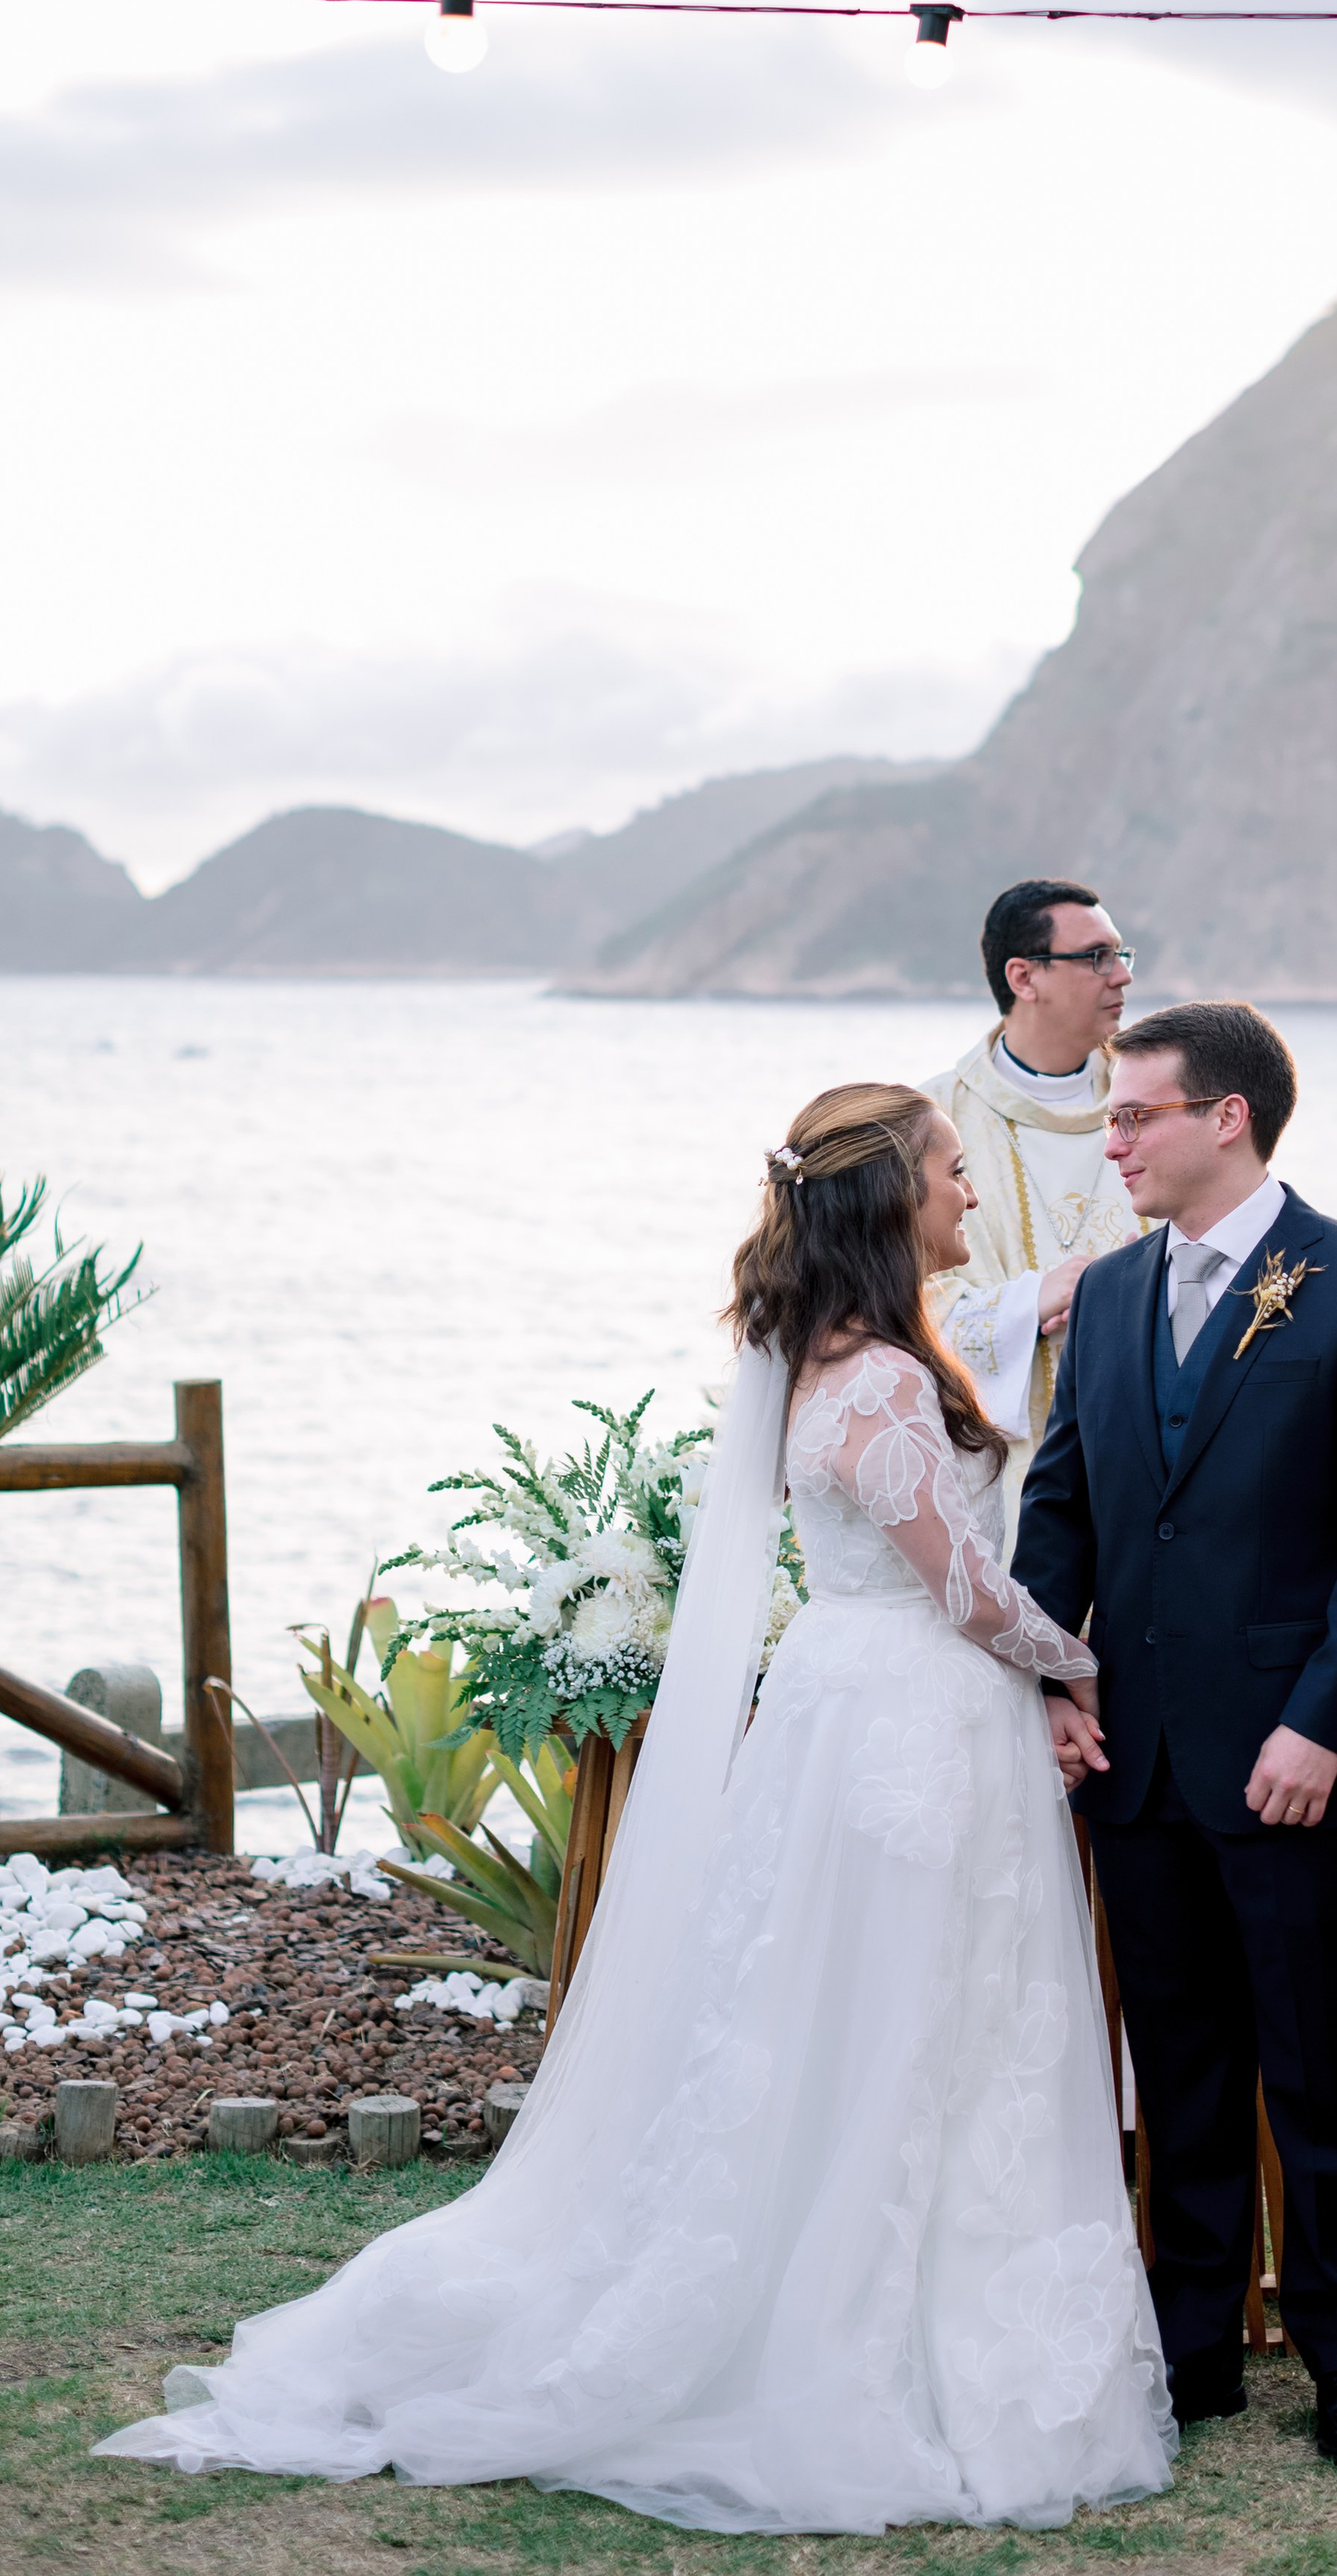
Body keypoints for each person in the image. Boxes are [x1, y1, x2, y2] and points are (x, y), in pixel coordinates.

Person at [97, 1085, 1174, 2535]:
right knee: (903, 2024)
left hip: (874, 1712)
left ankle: (898, 2298)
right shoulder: (877, 1384)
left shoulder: (840, 1357)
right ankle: (862, 2336)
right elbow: (966, 1590)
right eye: (951, 1172)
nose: (969, 1195)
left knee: (880, 2023)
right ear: (886, 1201)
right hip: (905, 1725)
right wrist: (1081, 1657)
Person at [1010, 1001, 1337, 2472]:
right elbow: (1061, 1504)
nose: (1111, 1137)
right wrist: (1057, 1679)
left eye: (1134, 1114)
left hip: (1298, 1767)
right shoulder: (1116, 1295)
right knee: (1182, 2070)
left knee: (1318, 2068)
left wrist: (1321, 1726)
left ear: (1228, 1120)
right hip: (1137, 1763)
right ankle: (1191, 2355)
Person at [923, 879, 1146, 1517]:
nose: (1121, 978)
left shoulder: (1162, 1101)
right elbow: (901, 1306)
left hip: (1149, 1453)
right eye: (1097, 957)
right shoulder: (931, 1119)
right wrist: (1032, 1302)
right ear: (1024, 976)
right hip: (1003, 1485)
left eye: (1122, 955)